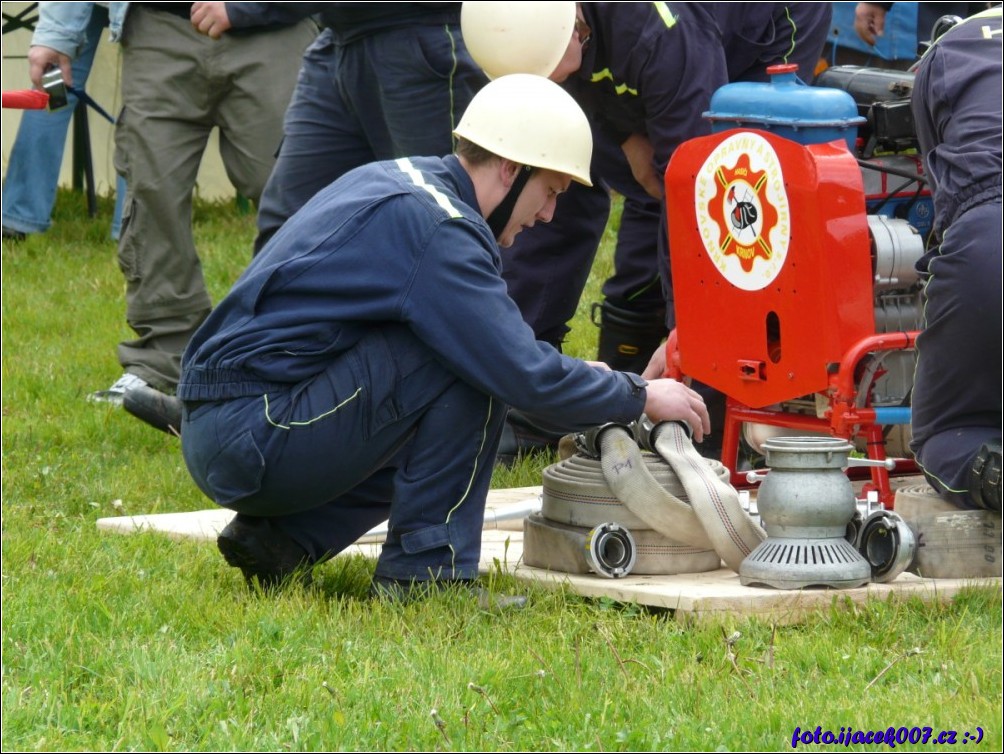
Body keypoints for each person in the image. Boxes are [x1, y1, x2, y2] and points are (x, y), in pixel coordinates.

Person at [176, 74, 711, 598]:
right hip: (251, 434)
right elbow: (517, 371)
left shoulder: (405, 183)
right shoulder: (441, 229)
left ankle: (280, 540)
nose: (548, 214)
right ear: (510, 169)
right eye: (550, 192)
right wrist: (639, 396)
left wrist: (584, 378)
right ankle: (429, 575)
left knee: (466, 353)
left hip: (234, 425)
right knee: (468, 366)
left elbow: (508, 353)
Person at [462, 2, 833, 460]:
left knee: (738, 204)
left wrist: (689, 330)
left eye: (552, 76)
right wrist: (623, 134)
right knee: (576, 179)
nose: (553, 85)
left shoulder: (660, 36)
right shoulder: (539, 25)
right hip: (644, 49)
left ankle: (715, 404)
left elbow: (697, 188)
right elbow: (583, 77)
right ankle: (536, 391)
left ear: (570, 29)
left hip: (764, 30)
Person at [27, 3, 317, 427]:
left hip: (273, 27)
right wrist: (56, 32)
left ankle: (303, 350)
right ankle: (163, 361)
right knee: (150, 192)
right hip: (158, 29)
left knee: (299, 200)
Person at [184, 1, 497, 256]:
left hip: (417, 35)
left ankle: (476, 331)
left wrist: (248, 7)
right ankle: (278, 334)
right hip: (338, 38)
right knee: (289, 224)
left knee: (437, 220)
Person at [908, 6, 1002, 512]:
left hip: (991, 237)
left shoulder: (953, 47)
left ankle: (989, 473)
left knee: (948, 432)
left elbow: (944, 194)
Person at [2, 3, 125, 242]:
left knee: (52, 93)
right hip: (146, 12)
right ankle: (134, 227)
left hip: (73, 7)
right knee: (145, 102)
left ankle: (17, 216)